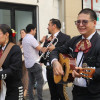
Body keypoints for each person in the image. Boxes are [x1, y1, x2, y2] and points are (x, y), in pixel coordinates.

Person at [50, 8, 100, 100]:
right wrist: (55, 62)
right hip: (76, 91)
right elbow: (55, 51)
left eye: (84, 22)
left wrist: (83, 72)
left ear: (94, 23)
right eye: (78, 22)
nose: (80, 25)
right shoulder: (74, 40)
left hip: (94, 94)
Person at [40, 18, 71, 100]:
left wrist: (55, 47)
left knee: (61, 94)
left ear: (54, 26)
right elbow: (43, 53)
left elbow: (68, 51)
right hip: (49, 69)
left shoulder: (65, 37)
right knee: (53, 94)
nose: (47, 27)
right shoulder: (48, 39)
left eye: (49, 25)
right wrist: (42, 50)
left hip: (59, 69)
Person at [22, 24, 46, 100]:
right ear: (32, 30)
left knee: (31, 82)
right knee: (40, 81)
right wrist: (48, 47)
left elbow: (35, 46)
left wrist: (41, 41)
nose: (35, 32)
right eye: (35, 30)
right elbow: (40, 49)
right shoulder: (31, 38)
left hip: (28, 64)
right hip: (34, 63)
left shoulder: (25, 38)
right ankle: (40, 98)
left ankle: (31, 98)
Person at [0, 24, 23, 100]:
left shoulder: (15, 49)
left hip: (14, 89)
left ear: (6, 35)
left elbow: (13, 70)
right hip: (3, 87)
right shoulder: (1, 49)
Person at [17, 29, 28, 98]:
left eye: (23, 33)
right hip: (20, 61)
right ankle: (24, 90)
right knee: (21, 76)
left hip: (26, 61)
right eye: (20, 33)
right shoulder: (19, 42)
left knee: (26, 77)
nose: (21, 34)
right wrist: (20, 47)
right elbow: (16, 50)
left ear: (26, 33)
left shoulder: (27, 41)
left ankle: (25, 91)